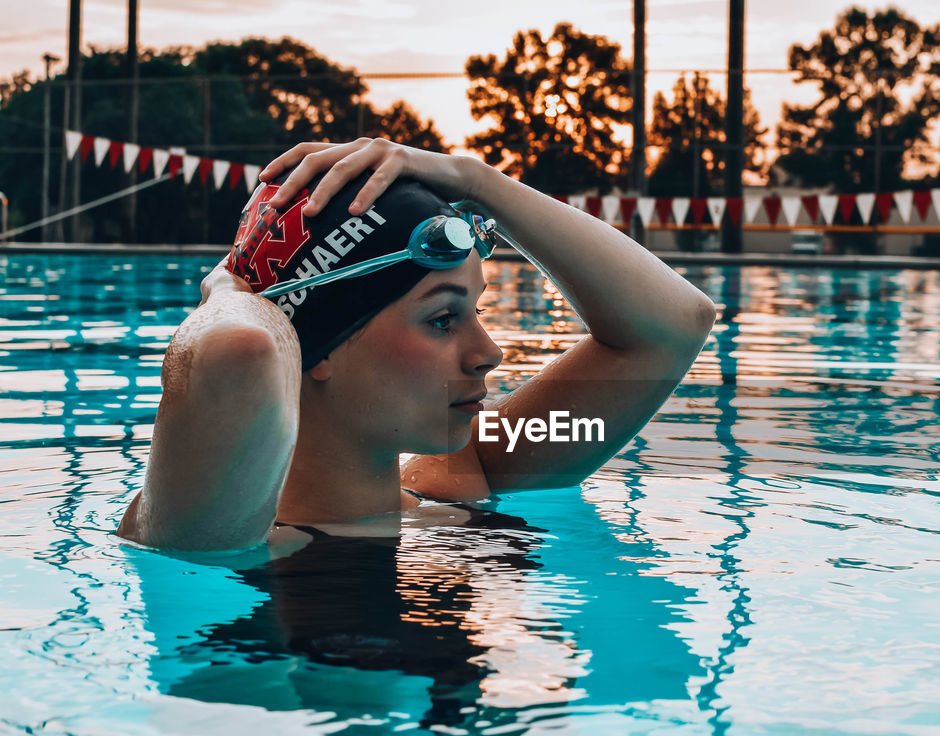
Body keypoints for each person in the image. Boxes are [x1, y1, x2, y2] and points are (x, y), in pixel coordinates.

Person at [117, 137, 717, 551]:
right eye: (441, 320)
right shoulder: (214, 529)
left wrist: (476, 182)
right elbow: (235, 356)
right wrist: (227, 291)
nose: (488, 352)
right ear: (314, 350)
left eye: (474, 311)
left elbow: (674, 325)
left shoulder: (466, 473)